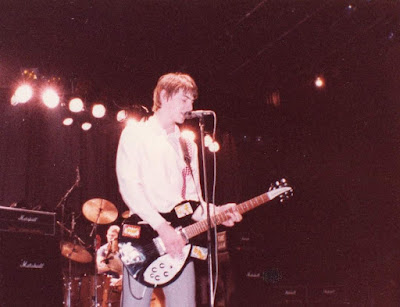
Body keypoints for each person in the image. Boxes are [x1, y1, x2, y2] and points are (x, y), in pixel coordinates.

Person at [116, 72, 242, 306]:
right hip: (146, 238)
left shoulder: (188, 145)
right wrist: (162, 227)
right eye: (184, 99)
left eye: (192, 100)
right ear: (164, 96)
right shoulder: (136, 134)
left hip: (180, 243)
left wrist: (218, 211)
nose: (190, 106)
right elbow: (129, 188)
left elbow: (193, 203)